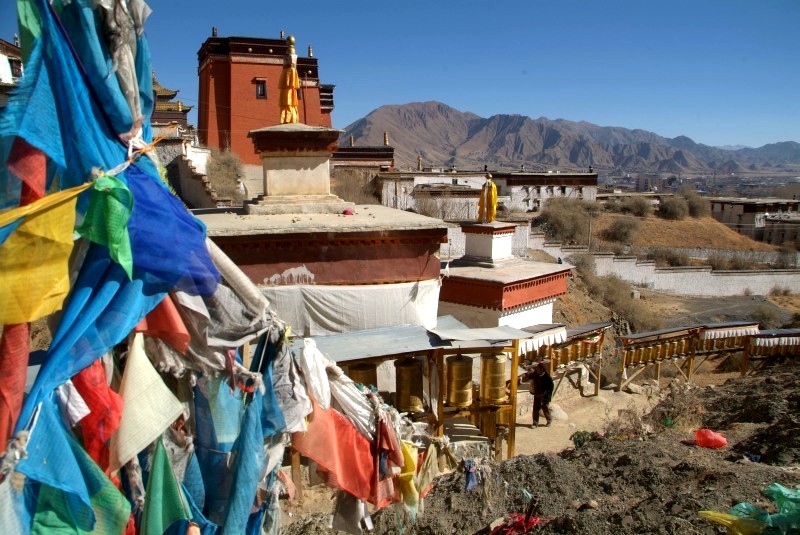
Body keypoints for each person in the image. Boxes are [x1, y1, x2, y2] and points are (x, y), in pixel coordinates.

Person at [525, 363, 554, 427]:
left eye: (538, 369)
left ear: (542, 370)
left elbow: (550, 388)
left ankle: (549, 420)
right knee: (535, 409)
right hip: (537, 395)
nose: (537, 370)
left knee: (545, 409)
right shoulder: (536, 375)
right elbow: (530, 376)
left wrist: (545, 395)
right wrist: (525, 373)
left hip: (545, 397)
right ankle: (535, 423)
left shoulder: (547, 378)